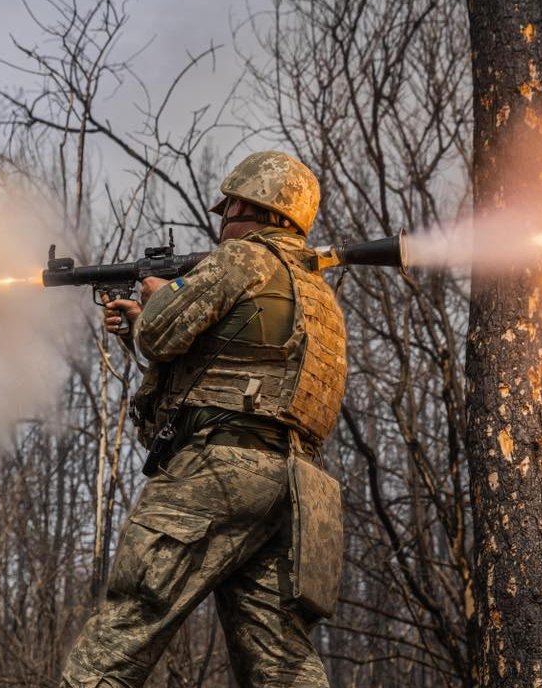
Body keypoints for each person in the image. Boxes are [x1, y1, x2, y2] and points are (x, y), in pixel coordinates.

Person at [61, 151, 349, 688]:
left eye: (228, 207)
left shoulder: (240, 260)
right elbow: (241, 364)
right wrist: (148, 317)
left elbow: (159, 334)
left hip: (217, 473)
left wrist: (154, 303)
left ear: (244, 203)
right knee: (281, 659)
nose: (224, 220)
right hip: (293, 487)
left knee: (125, 629)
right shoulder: (317, 294)